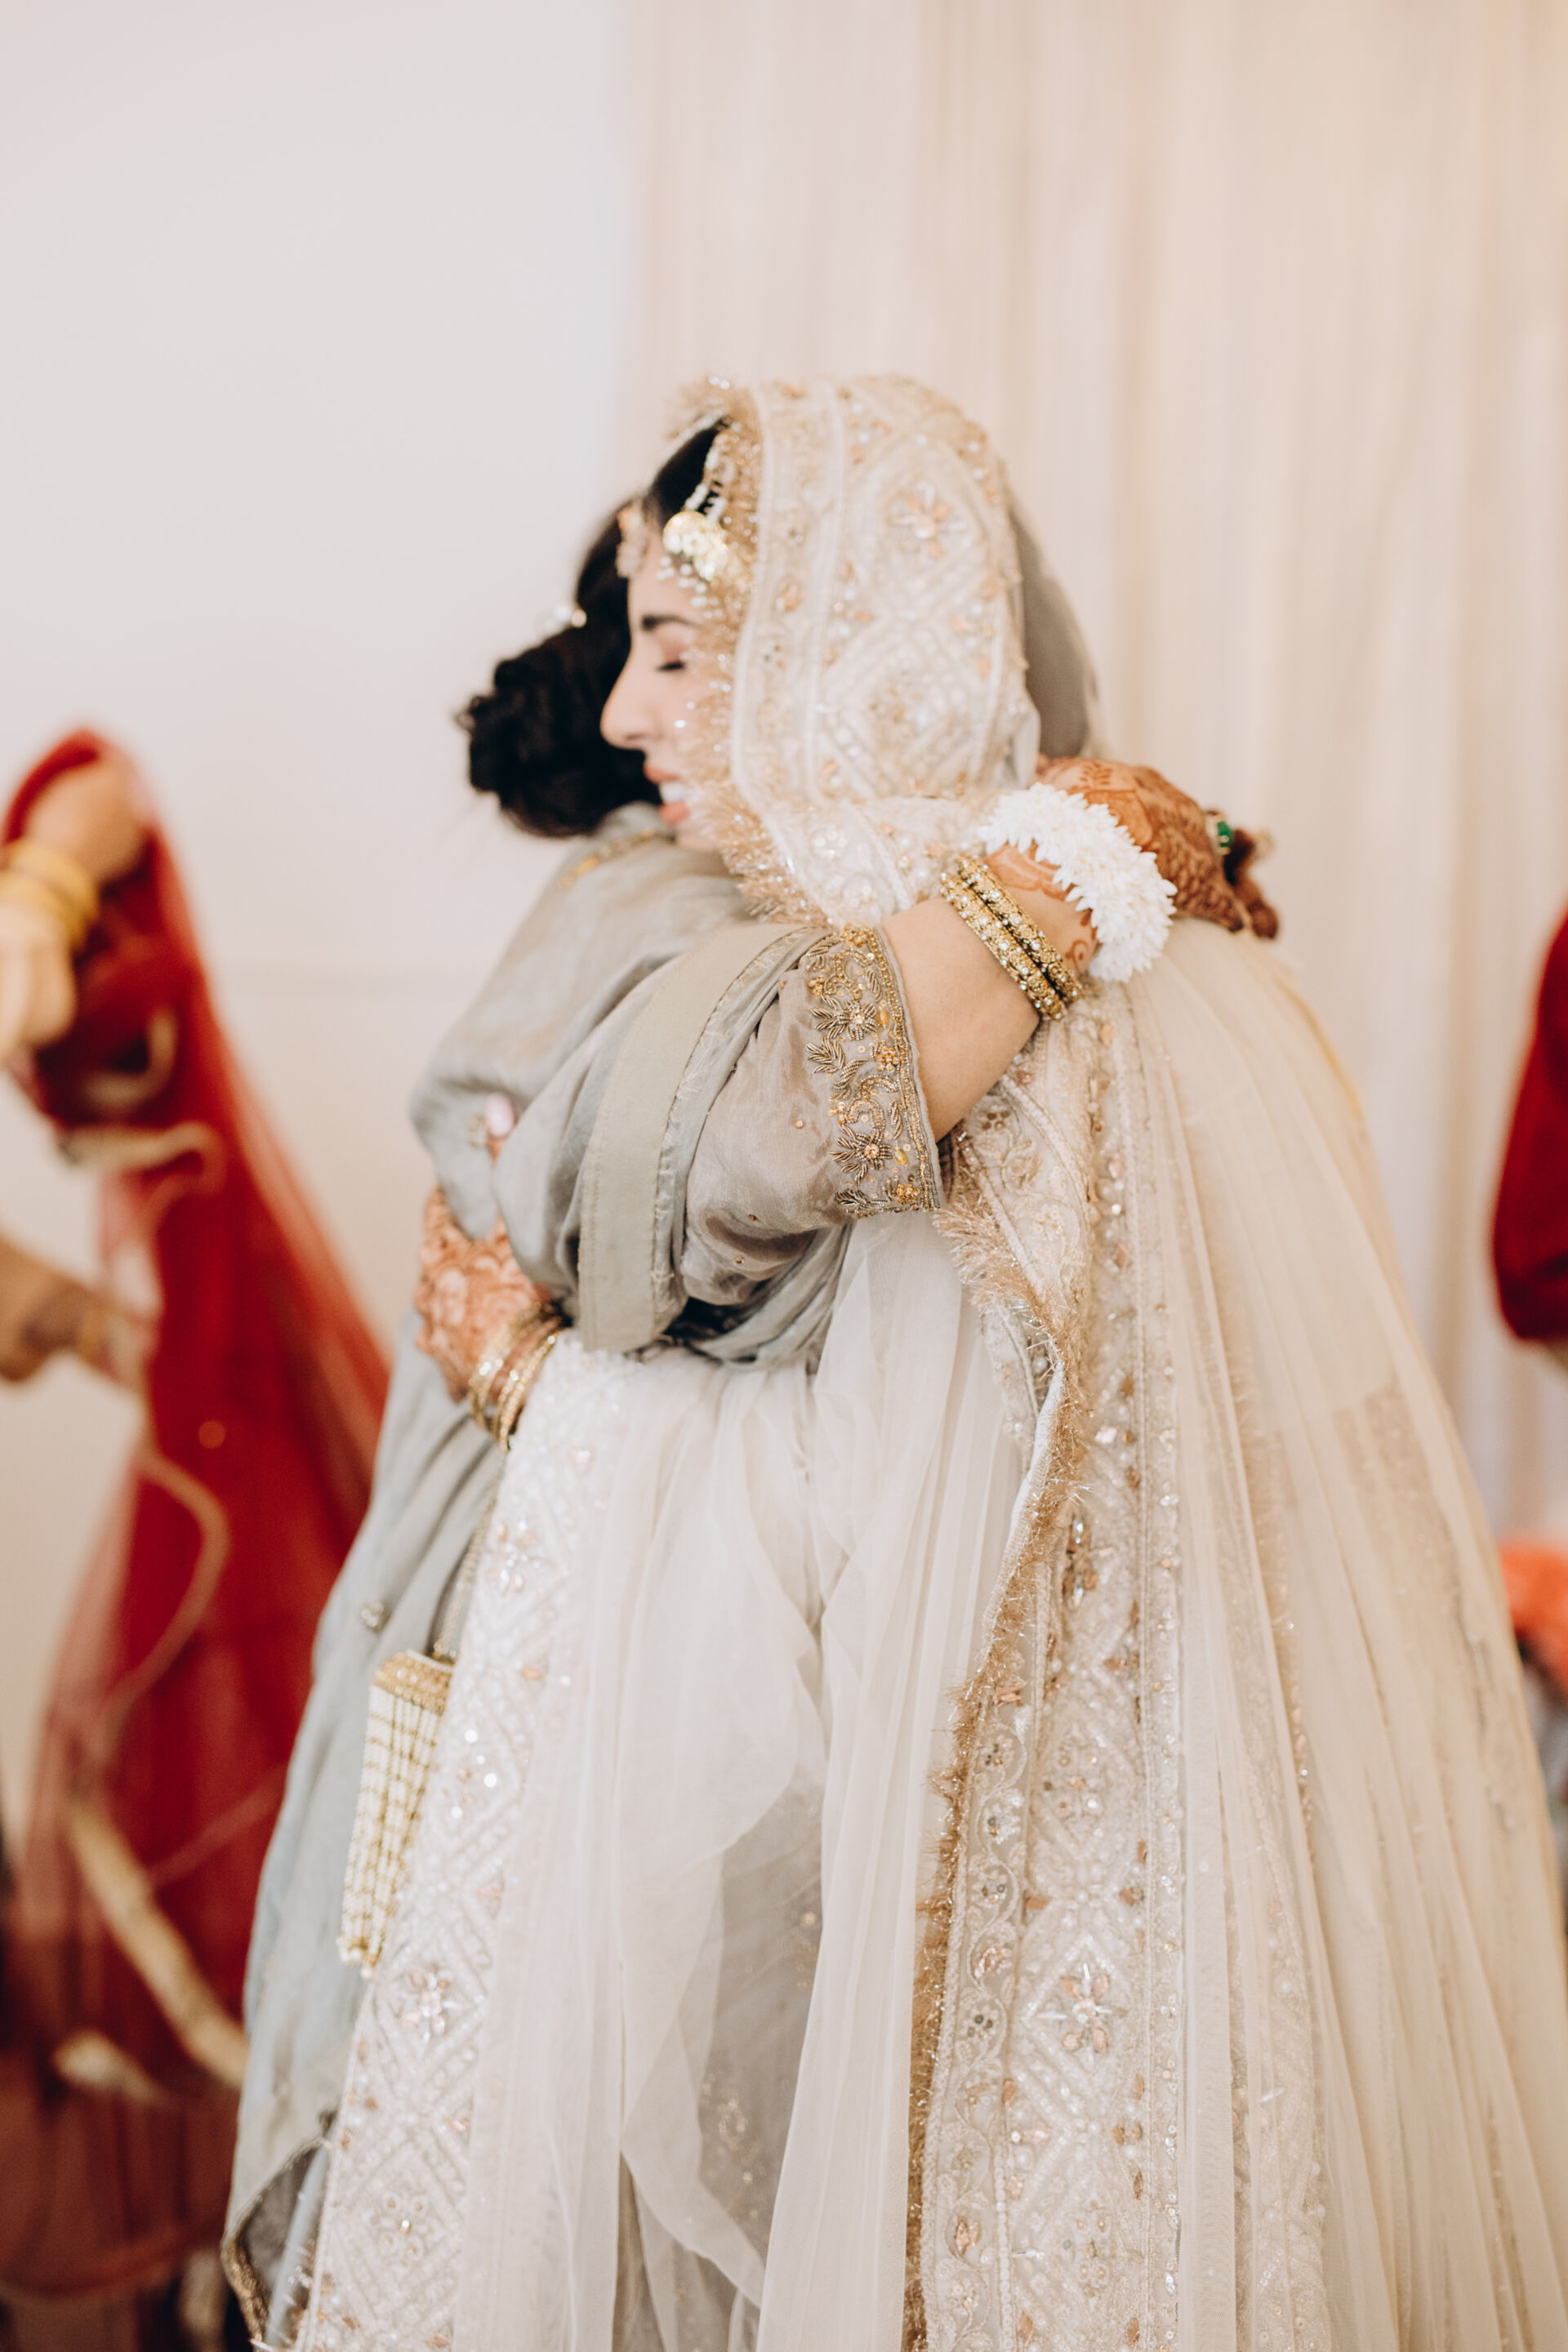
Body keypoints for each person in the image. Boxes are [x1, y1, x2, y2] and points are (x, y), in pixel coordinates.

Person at [234, 380, 1568, 2352]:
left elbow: (819, 1365)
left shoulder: (927, 973)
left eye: (679, 649)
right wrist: (1099, 850)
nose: (629, 714)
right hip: (1075, 1864)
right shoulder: (1118, 949)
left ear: (834, 647)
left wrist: (531, 1378)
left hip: (936, 1863)